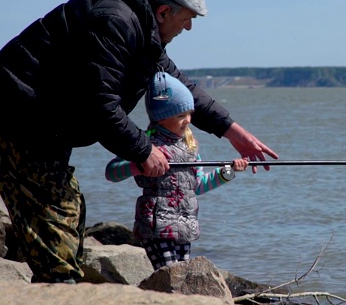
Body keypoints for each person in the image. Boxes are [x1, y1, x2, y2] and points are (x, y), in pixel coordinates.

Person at [0, 0, 277, 283]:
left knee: (70, 209)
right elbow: (100, 104)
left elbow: (182, 87)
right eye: (187, 18)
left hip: (45, 122)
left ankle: (62, 291)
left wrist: (233, 131)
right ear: (162, 11)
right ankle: (58, 300)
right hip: (13, 113)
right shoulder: (116, 21)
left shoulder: (143, 31)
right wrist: (144, 151)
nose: (188, 28)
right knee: (56, 218)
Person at [105, 72, 248, 270]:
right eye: (181, 115)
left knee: (181, 278)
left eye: (190, 113)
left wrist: (227, 172)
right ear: (161, 118)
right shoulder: (144, 143)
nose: (188, 120)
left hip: (184, 226)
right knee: (169, 274)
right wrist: (138, 166)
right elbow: (111, 172)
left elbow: (197, 186)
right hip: (156, 227)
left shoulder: (190, 146)